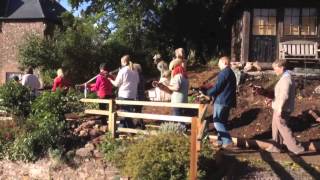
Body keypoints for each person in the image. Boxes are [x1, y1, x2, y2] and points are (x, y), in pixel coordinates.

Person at [264, 59, 305, 155]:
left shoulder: (286, 79)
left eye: (275, 68)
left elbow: (284, 95)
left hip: (283, 108)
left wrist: (280, 108)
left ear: (282, 68)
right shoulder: (282, 77)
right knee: (276, 127)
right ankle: (276, 146)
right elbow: (279, 93)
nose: (274, 70)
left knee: (283, 128)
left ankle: (297, 148)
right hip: (278, 106)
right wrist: (271, 99)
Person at [206, 56, 237, 149]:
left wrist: (208, 93)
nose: (218, 65)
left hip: (221, 100)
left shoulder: (224, 73)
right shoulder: (231, 73)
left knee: (217, 121)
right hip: (228, 101)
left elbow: (218, 87)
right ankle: (220, 141)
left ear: (224, 63)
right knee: (222, 122)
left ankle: (227, 141)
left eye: (219, 63)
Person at [108, 55, 140, 128]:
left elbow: (116, 84)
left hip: (124, 95)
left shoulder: (123, 70)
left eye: (121, 62)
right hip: (132, 94)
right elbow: (137, 81)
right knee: (126, 112)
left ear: (124, 62)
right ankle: (121, 128)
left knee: (125, 113)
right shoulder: (135, 70)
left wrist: (110, 80)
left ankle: (131, 130)